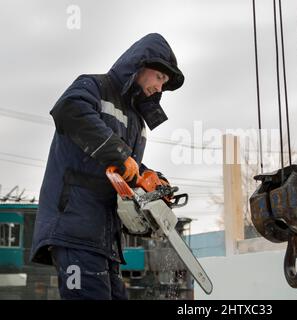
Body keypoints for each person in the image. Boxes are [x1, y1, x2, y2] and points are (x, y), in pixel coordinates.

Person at [30, 33, 184, 300]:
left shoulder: (136, 120)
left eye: (165, 83)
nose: (160, 88)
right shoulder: (93, 87)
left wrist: (149, 179)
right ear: (141, 64)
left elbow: (126, 167)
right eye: (159, 77)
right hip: (74, 227)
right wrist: (121, 155)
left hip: (106, 240)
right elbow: (69, 110)